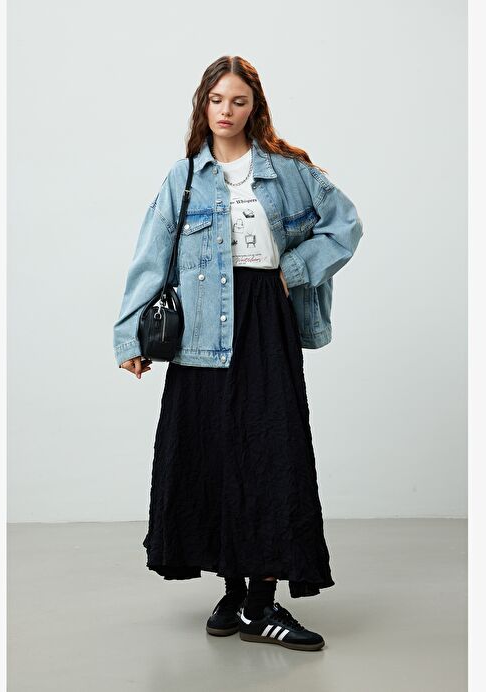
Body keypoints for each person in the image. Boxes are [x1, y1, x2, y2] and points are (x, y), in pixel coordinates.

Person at [113, 55, 363, 652]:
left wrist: (294, 270)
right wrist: (130, 338)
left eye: (239, 101)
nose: (226, 111)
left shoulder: (289, 172)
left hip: (265, 320)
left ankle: (261, 601)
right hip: (200, 333)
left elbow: (345, 225)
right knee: (214, 457)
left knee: (271, 453)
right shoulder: (183, 178)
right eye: (217, 100)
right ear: (204, 105)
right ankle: (233, 595)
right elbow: (151, 257)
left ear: (256, 108)